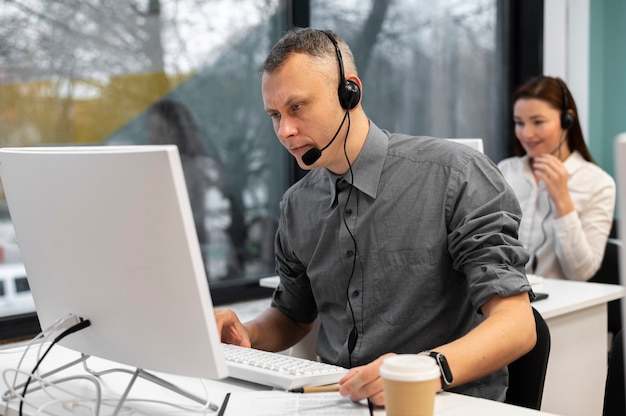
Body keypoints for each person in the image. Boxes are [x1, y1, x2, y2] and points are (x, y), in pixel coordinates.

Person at [215, 27, 536, 407]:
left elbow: (517, 326)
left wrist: (419, 372)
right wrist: (246, 335)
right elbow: (293, 315)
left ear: (350, 92)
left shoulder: (456, 174)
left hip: (443, 403)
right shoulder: (297, 205)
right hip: (339, 402)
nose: (285, 131)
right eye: (274, 115)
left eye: (297, 107)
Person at [498, 76, 616, 281]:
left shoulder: (598, 184)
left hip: (562, 305)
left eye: (538, 122)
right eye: (519, 123)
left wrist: (562, 201)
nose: (526, 134)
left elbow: (580, 272)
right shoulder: (505, 171)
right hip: (502, 298)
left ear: (566, 120)